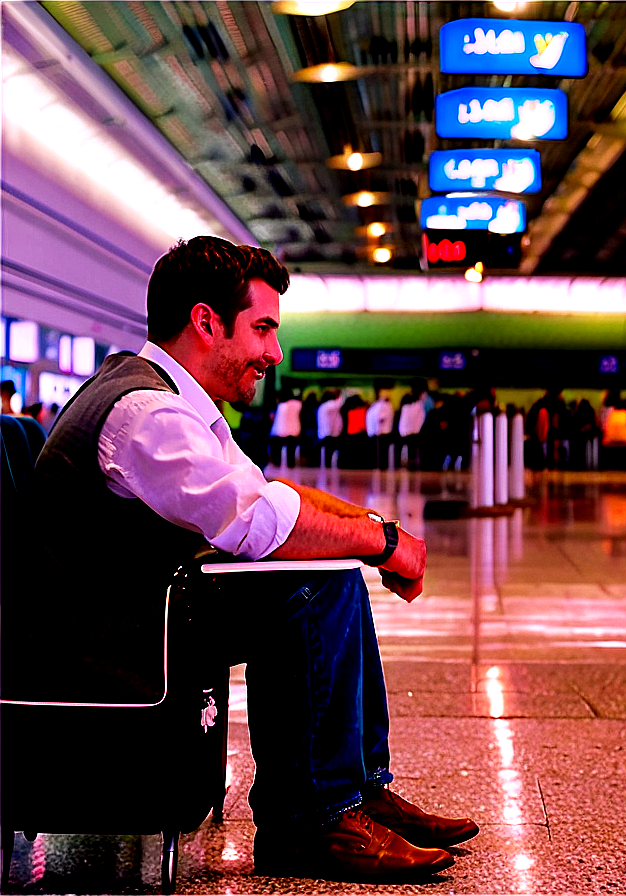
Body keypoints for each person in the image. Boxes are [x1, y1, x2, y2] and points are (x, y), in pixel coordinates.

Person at [18, 236, 478, 879]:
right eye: (262, 329)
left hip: (137, 607)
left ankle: (358, 792)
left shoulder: (176, 404)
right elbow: (259, 526)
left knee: (328, 569)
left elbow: (272, 499)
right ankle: (310, 822)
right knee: (310, 588)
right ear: (205, 322)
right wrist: (386, 545)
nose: (274, 353)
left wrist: (377, 531)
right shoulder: (145, 414)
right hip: (98, 638)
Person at [269, 388, 302, 468]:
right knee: (291, 451)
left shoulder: (281, 406)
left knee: (277, 450)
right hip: (294, 430)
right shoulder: (298, 404)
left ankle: (277, 463)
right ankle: (291, 464)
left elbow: (275, 419)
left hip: (280, 431)